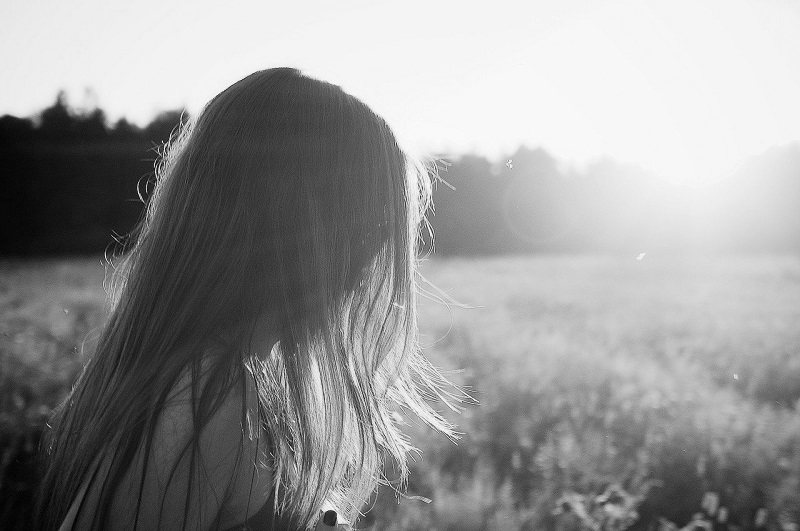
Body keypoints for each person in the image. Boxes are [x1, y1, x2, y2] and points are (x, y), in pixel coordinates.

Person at [34, 67, 461, 530]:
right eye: (374, 230)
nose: (370, 268)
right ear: (315, 236)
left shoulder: (203, 382)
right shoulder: (207, 404)